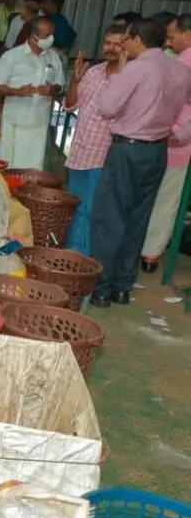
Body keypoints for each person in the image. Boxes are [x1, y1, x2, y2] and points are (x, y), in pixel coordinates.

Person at [89, 18, 191, 306]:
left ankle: (101, 288)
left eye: (127, 40)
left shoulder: (137, 68)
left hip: (128, 150)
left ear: (138, 40)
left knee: (110, 219)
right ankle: (122, 287)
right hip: (157, 151)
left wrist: (121, 71)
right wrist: (181, 133)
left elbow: (106, 106)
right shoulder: (181, 70)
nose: (123, 45)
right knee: (138, 219)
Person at [64, 26, 126, 255]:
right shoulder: (93, 72)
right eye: (107, 43)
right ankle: (73, 251)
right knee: (77, 206)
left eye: (117, 44)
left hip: (104, 154)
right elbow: (71, 105)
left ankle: (88, 256)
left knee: (94, 210)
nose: (110, 48)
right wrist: (75, 80)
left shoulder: (129, 78)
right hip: (80, 150)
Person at [141, 14, 191, 270]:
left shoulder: (181, 62)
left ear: (188, 33)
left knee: (155, 197)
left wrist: (180, 133)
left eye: (173, 37)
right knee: (165, 200)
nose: (169, 42)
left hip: (167, 139)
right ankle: (149, 254)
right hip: (173, 140)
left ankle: (145, 250)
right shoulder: (176, 61)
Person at [0, 17, 66, 170]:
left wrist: (52, 90)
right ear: (33, 35)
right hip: (15, 120)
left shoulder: (53, 58)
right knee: (10, 165)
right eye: (46, 35)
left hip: (39, 121)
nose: (51, 39)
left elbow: (60, 85)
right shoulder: (11, 56)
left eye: (52, 34)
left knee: (33, 166)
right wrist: (17, 91)